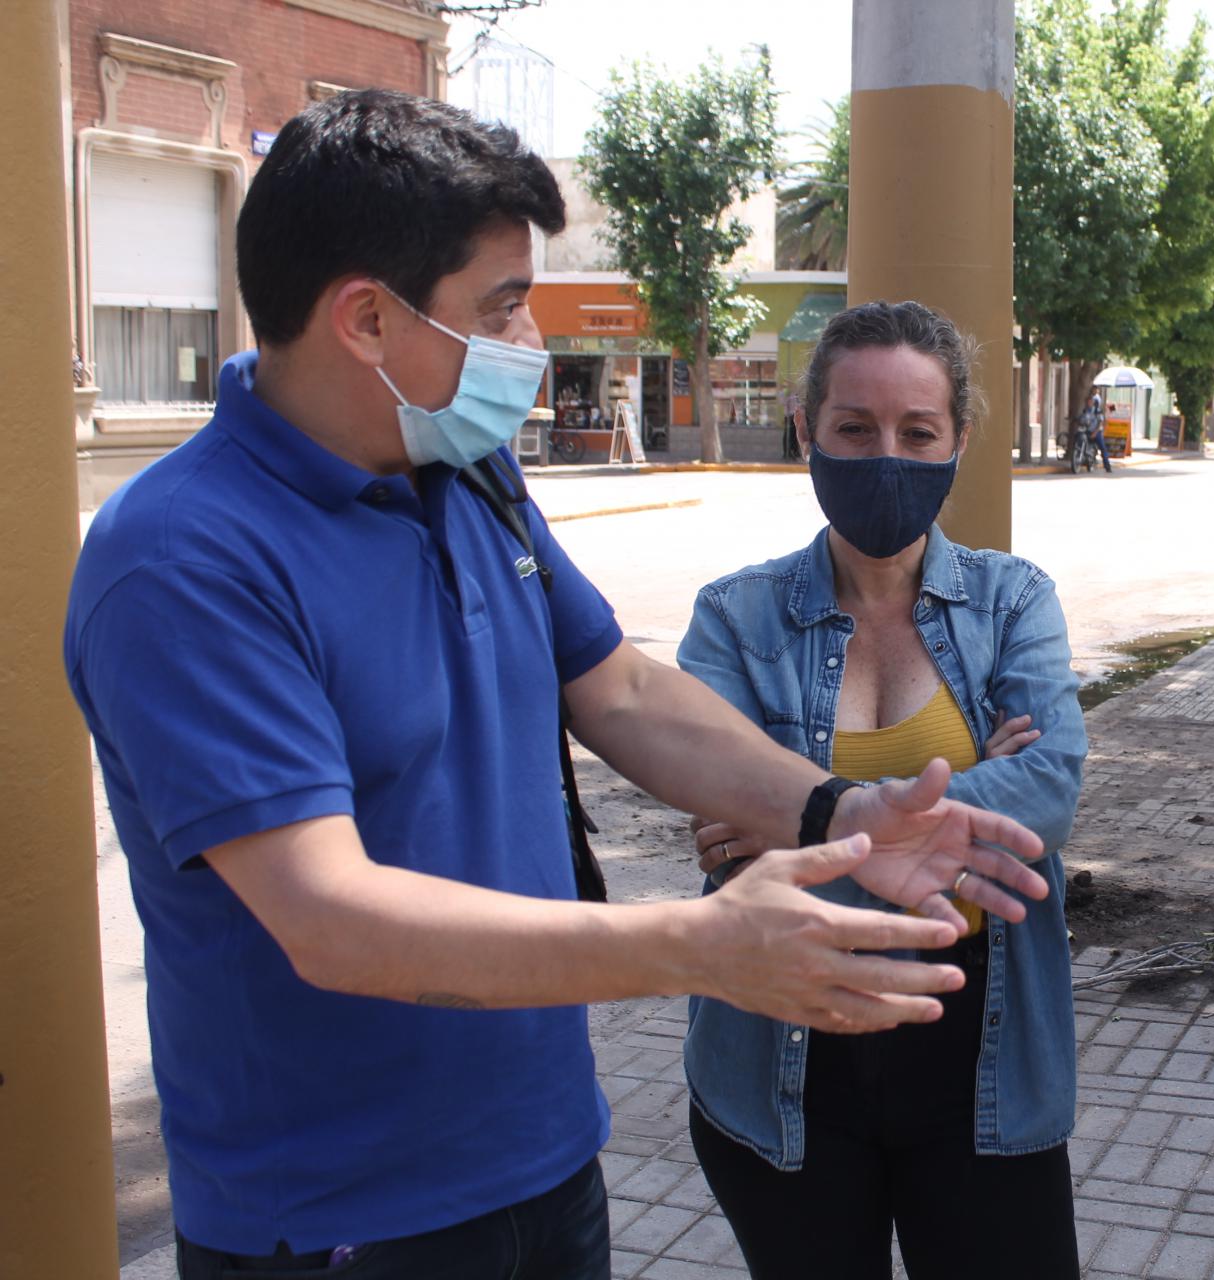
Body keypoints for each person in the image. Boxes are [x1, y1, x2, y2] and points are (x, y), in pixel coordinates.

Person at [63, 91, 1049, 1280]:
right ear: (366, 318)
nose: (530, 341)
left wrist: (834, 810)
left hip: (541, 1156)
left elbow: (620, 691)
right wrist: (701, 943)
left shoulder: (464, 471)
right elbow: (327, 916)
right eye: (503, 305)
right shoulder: (184, 559)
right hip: (342, 1212)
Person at [676, 300, 1087, 1279]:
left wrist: (800, 816)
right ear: (807, 430)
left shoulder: (1011, 598)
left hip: (978, 1041)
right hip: (780, 1044)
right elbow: (706, 783)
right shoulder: (734, 615)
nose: (885, 457)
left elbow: (1052, 787)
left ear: (959, 440)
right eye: (854, 429)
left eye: (917, 432)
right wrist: (971, 784)